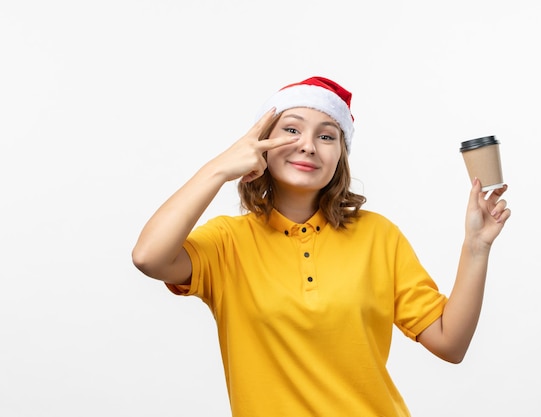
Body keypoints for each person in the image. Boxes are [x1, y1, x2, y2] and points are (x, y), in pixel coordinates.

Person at [132, 76, 511, 417]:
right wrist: (219, 168)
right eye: (291, 130)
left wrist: (476, 246)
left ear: (340, 156)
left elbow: (451, 343)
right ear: (260, 146)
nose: (308, 146)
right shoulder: (227, 242)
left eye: (327, 135)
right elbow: (149, 257)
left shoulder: (378, 236)